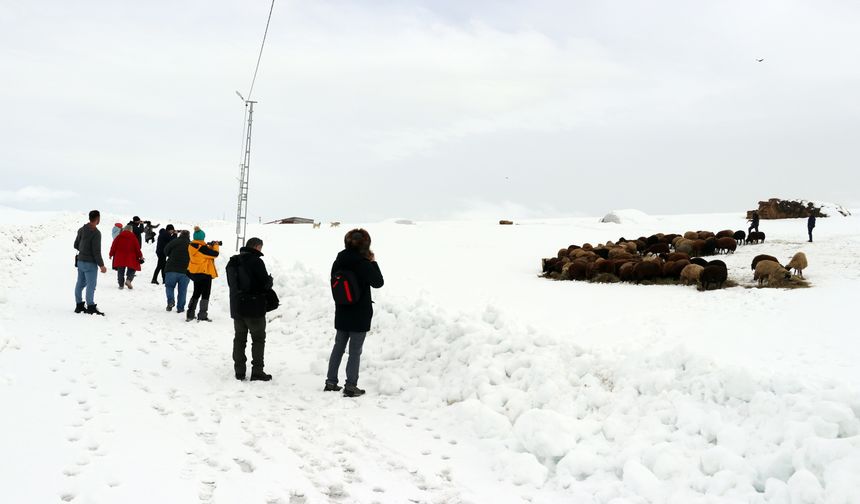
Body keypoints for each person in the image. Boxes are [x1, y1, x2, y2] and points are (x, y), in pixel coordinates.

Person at [325, 228, 384, 397]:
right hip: (359, 313)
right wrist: (372, 262)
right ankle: (351, 385)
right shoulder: (363, 263)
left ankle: (330, 382)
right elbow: (378, 282)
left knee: (338, 347)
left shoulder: (338, 261)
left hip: (342, 310)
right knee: (355, 351)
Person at [226, 237, 274, 381]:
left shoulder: (232, 262)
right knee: (258, 339)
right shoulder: (256, 261)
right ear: (257, 247)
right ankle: (257, 371)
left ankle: (239, 371)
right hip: (254, 308)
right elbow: (264, 284)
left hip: (237, 307)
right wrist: (270, 281)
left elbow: (232, 284)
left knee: (239, 339)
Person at [74, 210, 107, 315]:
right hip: (90, 263)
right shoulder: (96, 233)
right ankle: (91, 306)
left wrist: (83, 249)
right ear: (97, 218)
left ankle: (79, 305)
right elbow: (96, 252)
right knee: (91, 285)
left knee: (80, 283)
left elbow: (75, 245)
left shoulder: (81, 229)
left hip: (80, 261)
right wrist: (102, 266)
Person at [186, 226, 220, 322]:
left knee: (196, 293)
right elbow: (215, 254)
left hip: (195, 273)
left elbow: (205, 253)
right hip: (204, 274)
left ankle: (190, 314)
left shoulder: (192, 246)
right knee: (205, 294)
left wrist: (209, 246)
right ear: (202, 238)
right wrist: (216, 245)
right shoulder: (202, 249)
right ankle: (202, 315)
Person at [163, 229, 191, 313]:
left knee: (169, 287)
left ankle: (171, 301)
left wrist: (170, 255)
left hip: (171, 269)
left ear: (180, 235)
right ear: (189, 236)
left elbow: (165, 251)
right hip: (186, 271)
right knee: (183, 290)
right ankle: (180, 308)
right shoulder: (191, 244)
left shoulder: (175, 241)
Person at [109, 225, 144, 289]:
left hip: (119, 256)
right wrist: (140, 256)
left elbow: (113, 246)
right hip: (131, 257)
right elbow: (137, 248)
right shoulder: (133, 237)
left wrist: (111, 254)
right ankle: (128, 280)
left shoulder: (119, 236)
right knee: (132, 268)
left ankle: (121, 285)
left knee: (120, 271)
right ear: (131, 230)